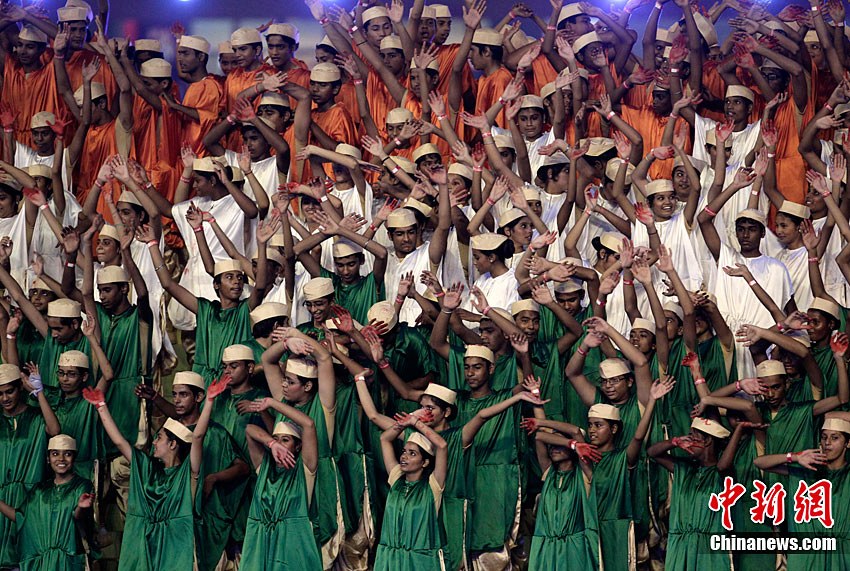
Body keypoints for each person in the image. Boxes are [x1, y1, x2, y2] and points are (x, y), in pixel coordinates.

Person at [83, 375, 227, 570]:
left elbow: (198, 436)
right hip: (145, 543)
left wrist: (209, 400)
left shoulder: (187, 473)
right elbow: (120, 442)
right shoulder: (148, 468)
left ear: (173, 444)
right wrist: (101, 406)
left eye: (159, 438)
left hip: (175, 546)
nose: (154, 443)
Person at [240, 401, 323, 570]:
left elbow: (309, 424)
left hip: (292, 548)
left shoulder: (304, 469)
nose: (280, 444)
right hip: (261, 546)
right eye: (276, 439)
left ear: (298, 446)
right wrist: (272, 443)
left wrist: (271, 403)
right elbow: (249, 429)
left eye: (285, 440)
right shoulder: (264, 468)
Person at [0, 434, 95, 570]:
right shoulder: (40, 490)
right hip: (42, 564)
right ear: (48, 459)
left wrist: (81, 507)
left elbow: (78, 517)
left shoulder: (82, 485)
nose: (61, 459)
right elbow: (21, 516)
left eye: (67, 454)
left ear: (74, 458)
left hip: (68, 562)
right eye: (55, 454)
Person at [0, 363, 61, 567]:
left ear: (20, 388)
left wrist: (38, 393)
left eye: (9, 391)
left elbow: (54, 430)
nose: (5, 398)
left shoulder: (35, 416)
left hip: (29, 497)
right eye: (0, 394)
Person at [373, 413, 448, 570]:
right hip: (390, 559)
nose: (404, 456)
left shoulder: (432, 486)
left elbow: (442, 446)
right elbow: (384, 439)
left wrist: (415, 422)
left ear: (424, 462)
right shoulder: (396, 478)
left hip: (419, 562)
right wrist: (403, 424)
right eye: (404, 451)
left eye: (412, 453)